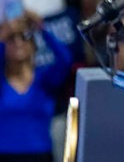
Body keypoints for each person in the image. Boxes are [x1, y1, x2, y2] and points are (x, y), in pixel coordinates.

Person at [0, 10, 73, 162]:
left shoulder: (44, 80)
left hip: (40, 155)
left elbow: (65, 59)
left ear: (33, 45)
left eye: (24, 37)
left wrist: (41, 27)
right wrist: (3, 33)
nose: (18, 42)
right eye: (11, 39)